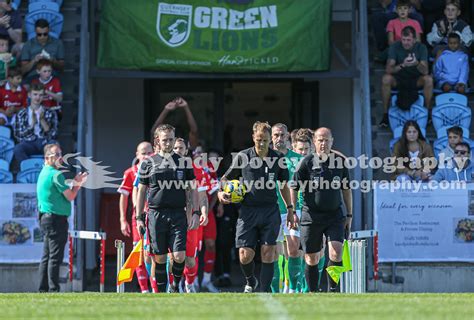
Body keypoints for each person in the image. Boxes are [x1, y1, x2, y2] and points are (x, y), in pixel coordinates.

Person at [218, 121, 295, 293]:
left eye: (265, 140)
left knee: (268, 251)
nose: (262, 143)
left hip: (270, 210)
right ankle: (250, 280)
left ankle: (265, 290)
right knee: (245, 255)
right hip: (248, 211)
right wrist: (222, 193)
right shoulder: (243, 157)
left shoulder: (278, 159)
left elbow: (283, 185)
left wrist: (290, 209)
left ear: (270, 141)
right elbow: (224, 179)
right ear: (253, 138)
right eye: (259, 139)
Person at [136, 124, 207, 293]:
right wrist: (139, 218)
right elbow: (141, 191)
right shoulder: (148, 163)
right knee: (159, 258)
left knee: (179, 255)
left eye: (171, 139)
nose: (168, 143)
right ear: (158, 141)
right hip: (155, 214)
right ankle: (161, 293)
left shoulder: (184, 162)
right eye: (165, 140)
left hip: (178, 214)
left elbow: (192, 189)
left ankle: (175, 285)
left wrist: (195, 212)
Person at [290, 127, 352, 292]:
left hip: (335, 215)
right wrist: (293, 211)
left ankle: (333, 290)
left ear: (332, 141)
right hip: (311, 216)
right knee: (312, 257)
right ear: (314, 142)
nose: (323, 143)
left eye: (326, 140)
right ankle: (312, 292)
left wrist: (349, 214)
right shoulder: (306, 163)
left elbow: (346, 189)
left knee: (336, 252)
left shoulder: (339, 161)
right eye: (320, 140)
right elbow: (294, 187)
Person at [37, 143, 87, 292]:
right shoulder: (55, 174)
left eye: (61, 154)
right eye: (57, 155)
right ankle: (53, 289)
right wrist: (78, 184)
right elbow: (70, 196)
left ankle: (43, 289)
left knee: (46, 256)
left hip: (46, 218)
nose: (60, 158)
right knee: (54, 257)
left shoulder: (44, 172)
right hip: (55, 219)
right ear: (47, 158)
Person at [270, 123, 304, 294]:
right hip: (272, 211)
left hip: (293, 211)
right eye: (275, 135)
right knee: (275, 253)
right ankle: (275, 290)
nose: (279, 138)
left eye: (282, 135)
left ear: (288, 137)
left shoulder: (297, 159)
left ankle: (292, 288)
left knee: (293, 250)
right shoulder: (265, 159)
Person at [117, 141, 153, 293]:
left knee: (154, 252)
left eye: (149, 152)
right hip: (137, 218)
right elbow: (124, 197)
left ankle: (157, 286)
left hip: (155, 216)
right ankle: (144, 289)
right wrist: (122, 219)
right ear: (137, 155)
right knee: (138, 252)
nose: (146, 156)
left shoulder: (158, 170)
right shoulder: (130, 172)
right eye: (143, 153)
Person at [380, 26, 432, 127]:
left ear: (414, 40)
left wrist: (416, 63)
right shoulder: (395, 46)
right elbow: (389, 70)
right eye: (403, 39)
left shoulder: (421, 47)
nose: (406, 42)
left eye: (408, 40)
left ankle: (427, 113)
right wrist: (403, 65)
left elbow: (425, 71)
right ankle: (385, 114)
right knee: (386, 79)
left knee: (429, 80)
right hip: (399, 78)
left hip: (416, 79)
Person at [13, 83, 58, 162]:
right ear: (29, 95)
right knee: (18, 148)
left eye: (40, 95)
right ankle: (27, 169)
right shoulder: (22, 113)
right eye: (35, 94)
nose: (38, 97)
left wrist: (42, 120)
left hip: (45, 142)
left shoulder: (50, 112)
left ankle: (49, 171)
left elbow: (53, 135)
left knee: (54, 146)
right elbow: (18, 136)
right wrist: (32, 125)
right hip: (29, 143)